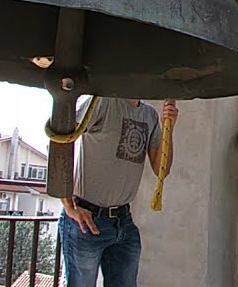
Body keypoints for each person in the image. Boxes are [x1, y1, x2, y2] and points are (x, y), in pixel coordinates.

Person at [59, 96, 177, 287]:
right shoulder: (101, 102)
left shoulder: (149, 115)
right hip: (87, 218)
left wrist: (168, 127)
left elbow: (161, 169)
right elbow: (61, 139)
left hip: (123, 220)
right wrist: (67, 204)